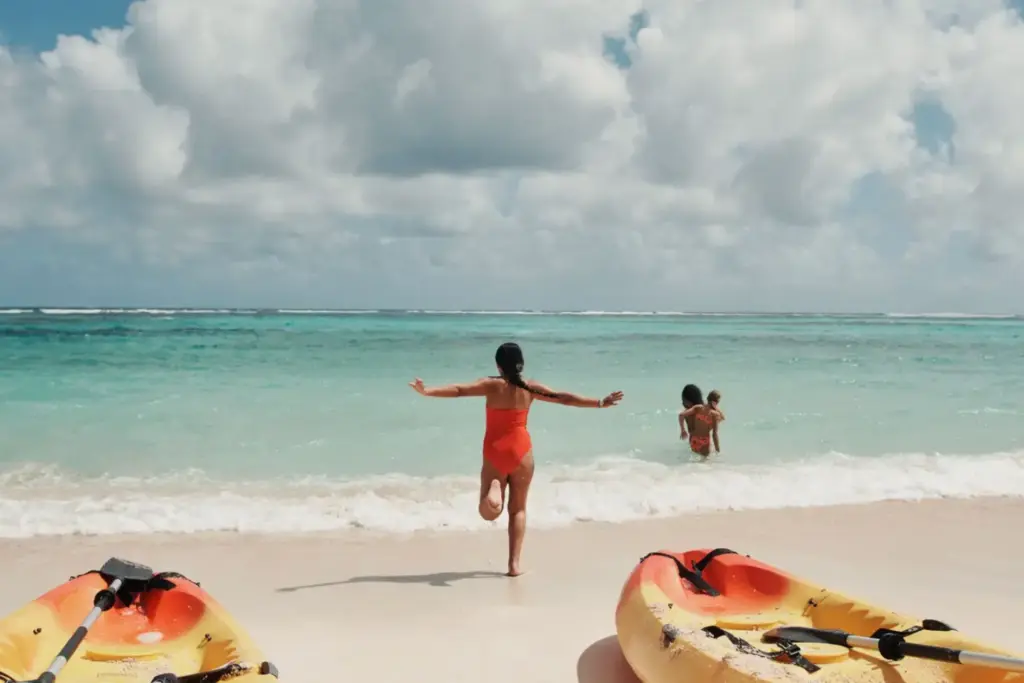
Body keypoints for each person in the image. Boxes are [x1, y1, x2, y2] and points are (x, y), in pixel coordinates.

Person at [409, 341, 623, 577]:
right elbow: (564, 398)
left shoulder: (491, 385)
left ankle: (495, 489)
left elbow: (459, 390)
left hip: (496, 451)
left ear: (498, 366)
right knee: (518, 509)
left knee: (488, 513)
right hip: (522, 452)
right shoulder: (530, 387)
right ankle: (514, 565)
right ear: (521, 364)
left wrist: (427, 391)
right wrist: (599, 402)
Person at [678, 384, 722, 457]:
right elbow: (721, 419)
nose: (682, 403)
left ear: (690, 401)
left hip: (693, 442)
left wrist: (682, 430)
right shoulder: (709, 412)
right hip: (705, 442)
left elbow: (682, 416)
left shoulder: (688, 413)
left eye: (683, 401)